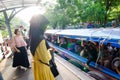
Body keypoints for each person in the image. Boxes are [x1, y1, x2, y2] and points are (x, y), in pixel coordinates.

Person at [29, 14, 55, 80]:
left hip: (38, 66)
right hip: (43, 67)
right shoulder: (40, 39)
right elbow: (44, 58)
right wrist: (50, 54)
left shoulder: (33, 36)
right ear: (40, 26)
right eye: (45, 25)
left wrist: (48, 48)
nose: (46, 27)